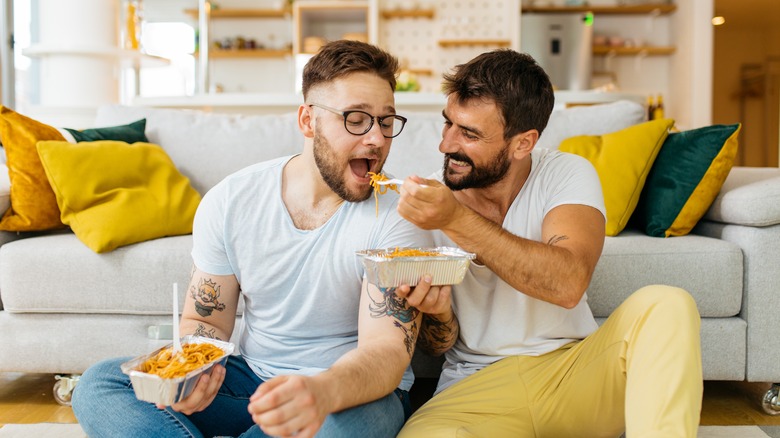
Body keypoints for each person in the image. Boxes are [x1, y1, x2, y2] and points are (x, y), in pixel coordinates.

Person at [72, 40, 445, 438]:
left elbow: (386, 353)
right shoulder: (232, 200)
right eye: (356, 119)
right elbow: (205, 319)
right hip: (251, 384)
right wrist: (195, 372)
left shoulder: (397, 216)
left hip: (349, 396)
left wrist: (321, 392)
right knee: (100, 384)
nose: (377, 139)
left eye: (386, 122)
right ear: (308, 121)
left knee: (348, 423)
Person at [394, 49, 703, 437]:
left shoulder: (564, 173)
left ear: (523, 143)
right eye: (448, 124)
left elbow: (568, 282)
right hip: (474, 387)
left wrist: (455, 219)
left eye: (469, 134)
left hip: (575, 374)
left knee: (668, 304)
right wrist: (438, 316)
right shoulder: (423, 203)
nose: (446, 145)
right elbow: (436, 345)